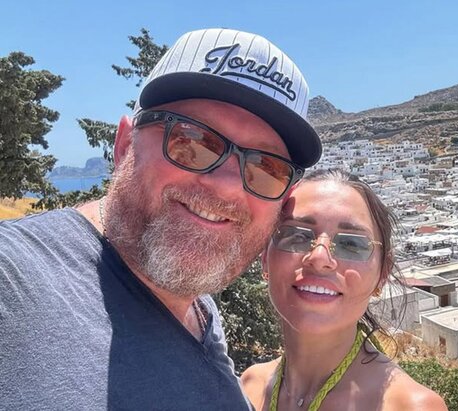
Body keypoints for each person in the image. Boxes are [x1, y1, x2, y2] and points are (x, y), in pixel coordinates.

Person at [0, 28, 321, 409]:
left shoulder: (200, 314)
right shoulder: (13, 277)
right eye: (192, 141)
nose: (228, 186)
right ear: (124, 145)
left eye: (267, 168)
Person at [242, 169, 447, 411]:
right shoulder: (248, 387)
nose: (319, 257)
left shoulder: (409, 406)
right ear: (265, 257)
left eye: (351, 244)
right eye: (296, 235)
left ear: (382, 273)